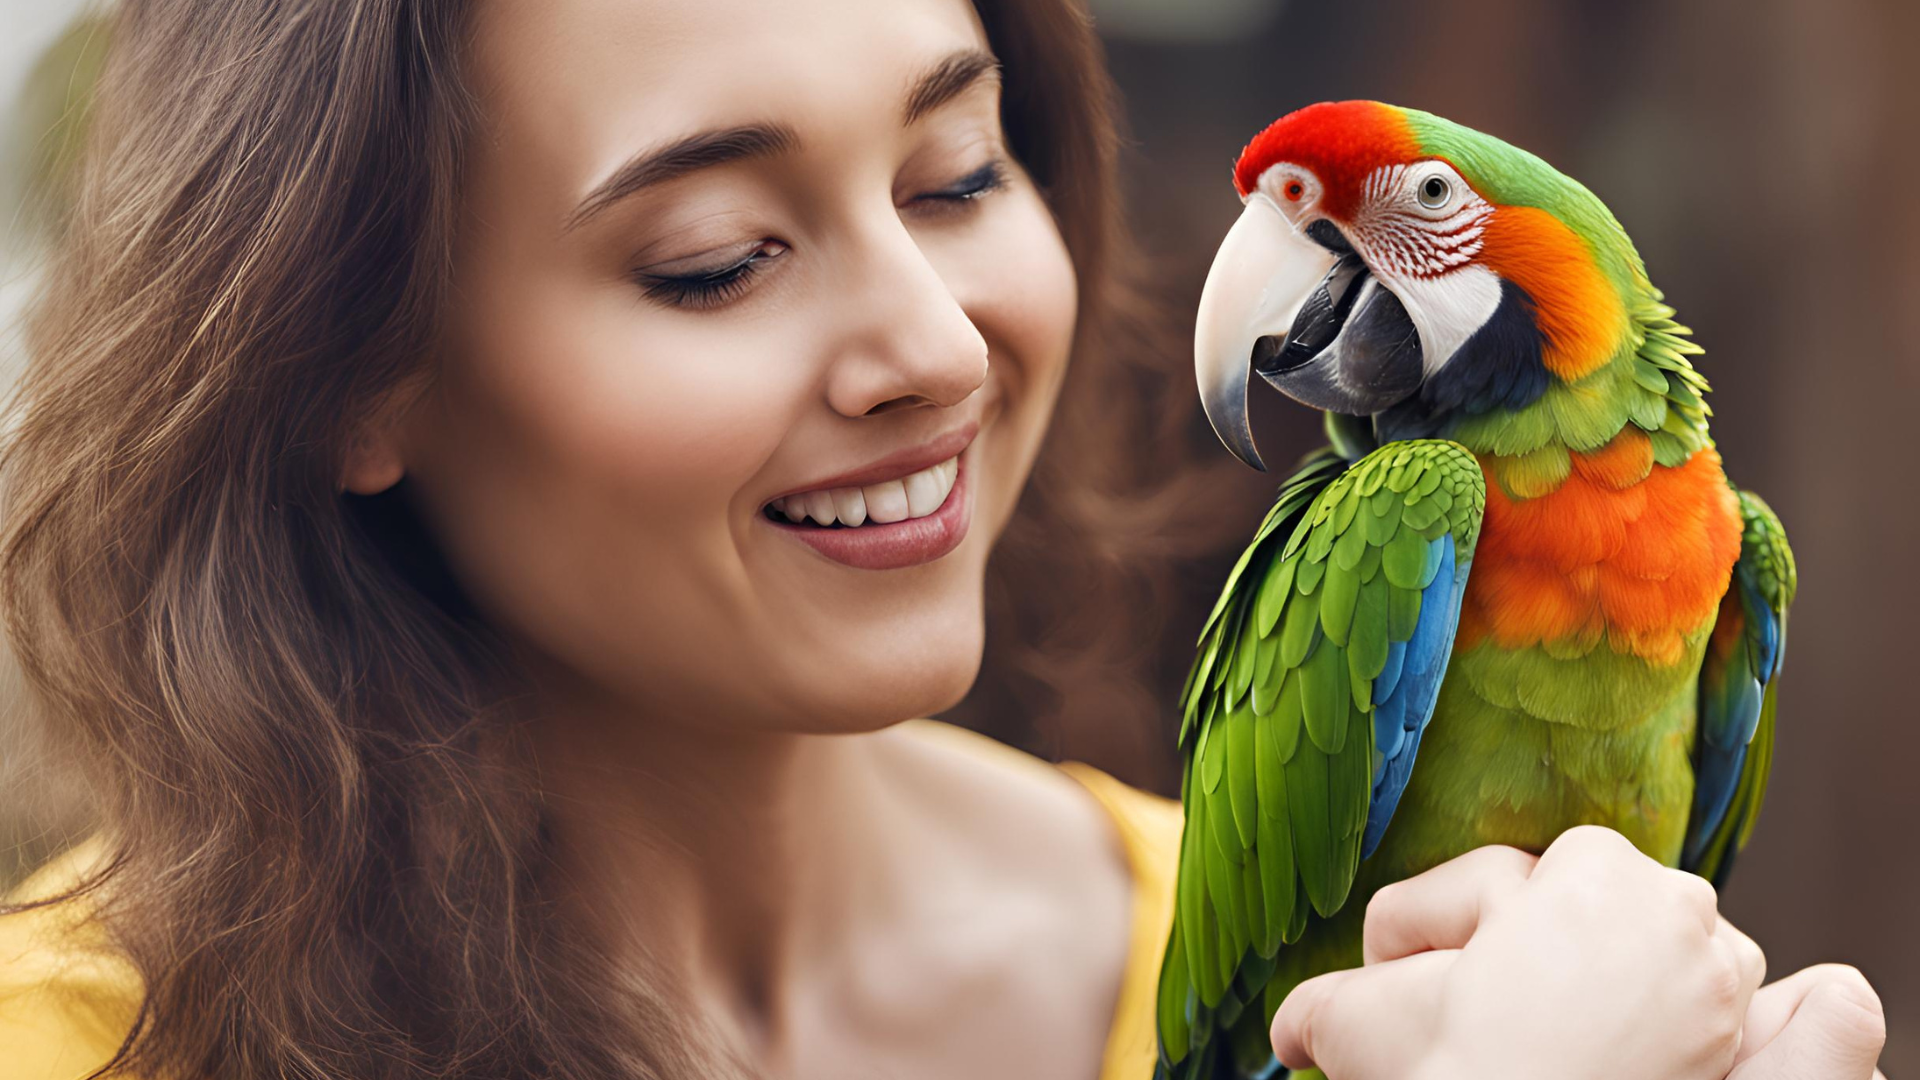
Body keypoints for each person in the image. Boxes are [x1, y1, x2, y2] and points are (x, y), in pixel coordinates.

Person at [0, 0, 1886, 1078]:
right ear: (352, 373)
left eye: (960, 172)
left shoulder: (1198, 922)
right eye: (713, 259)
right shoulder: (70, 1039)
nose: (932, 347)